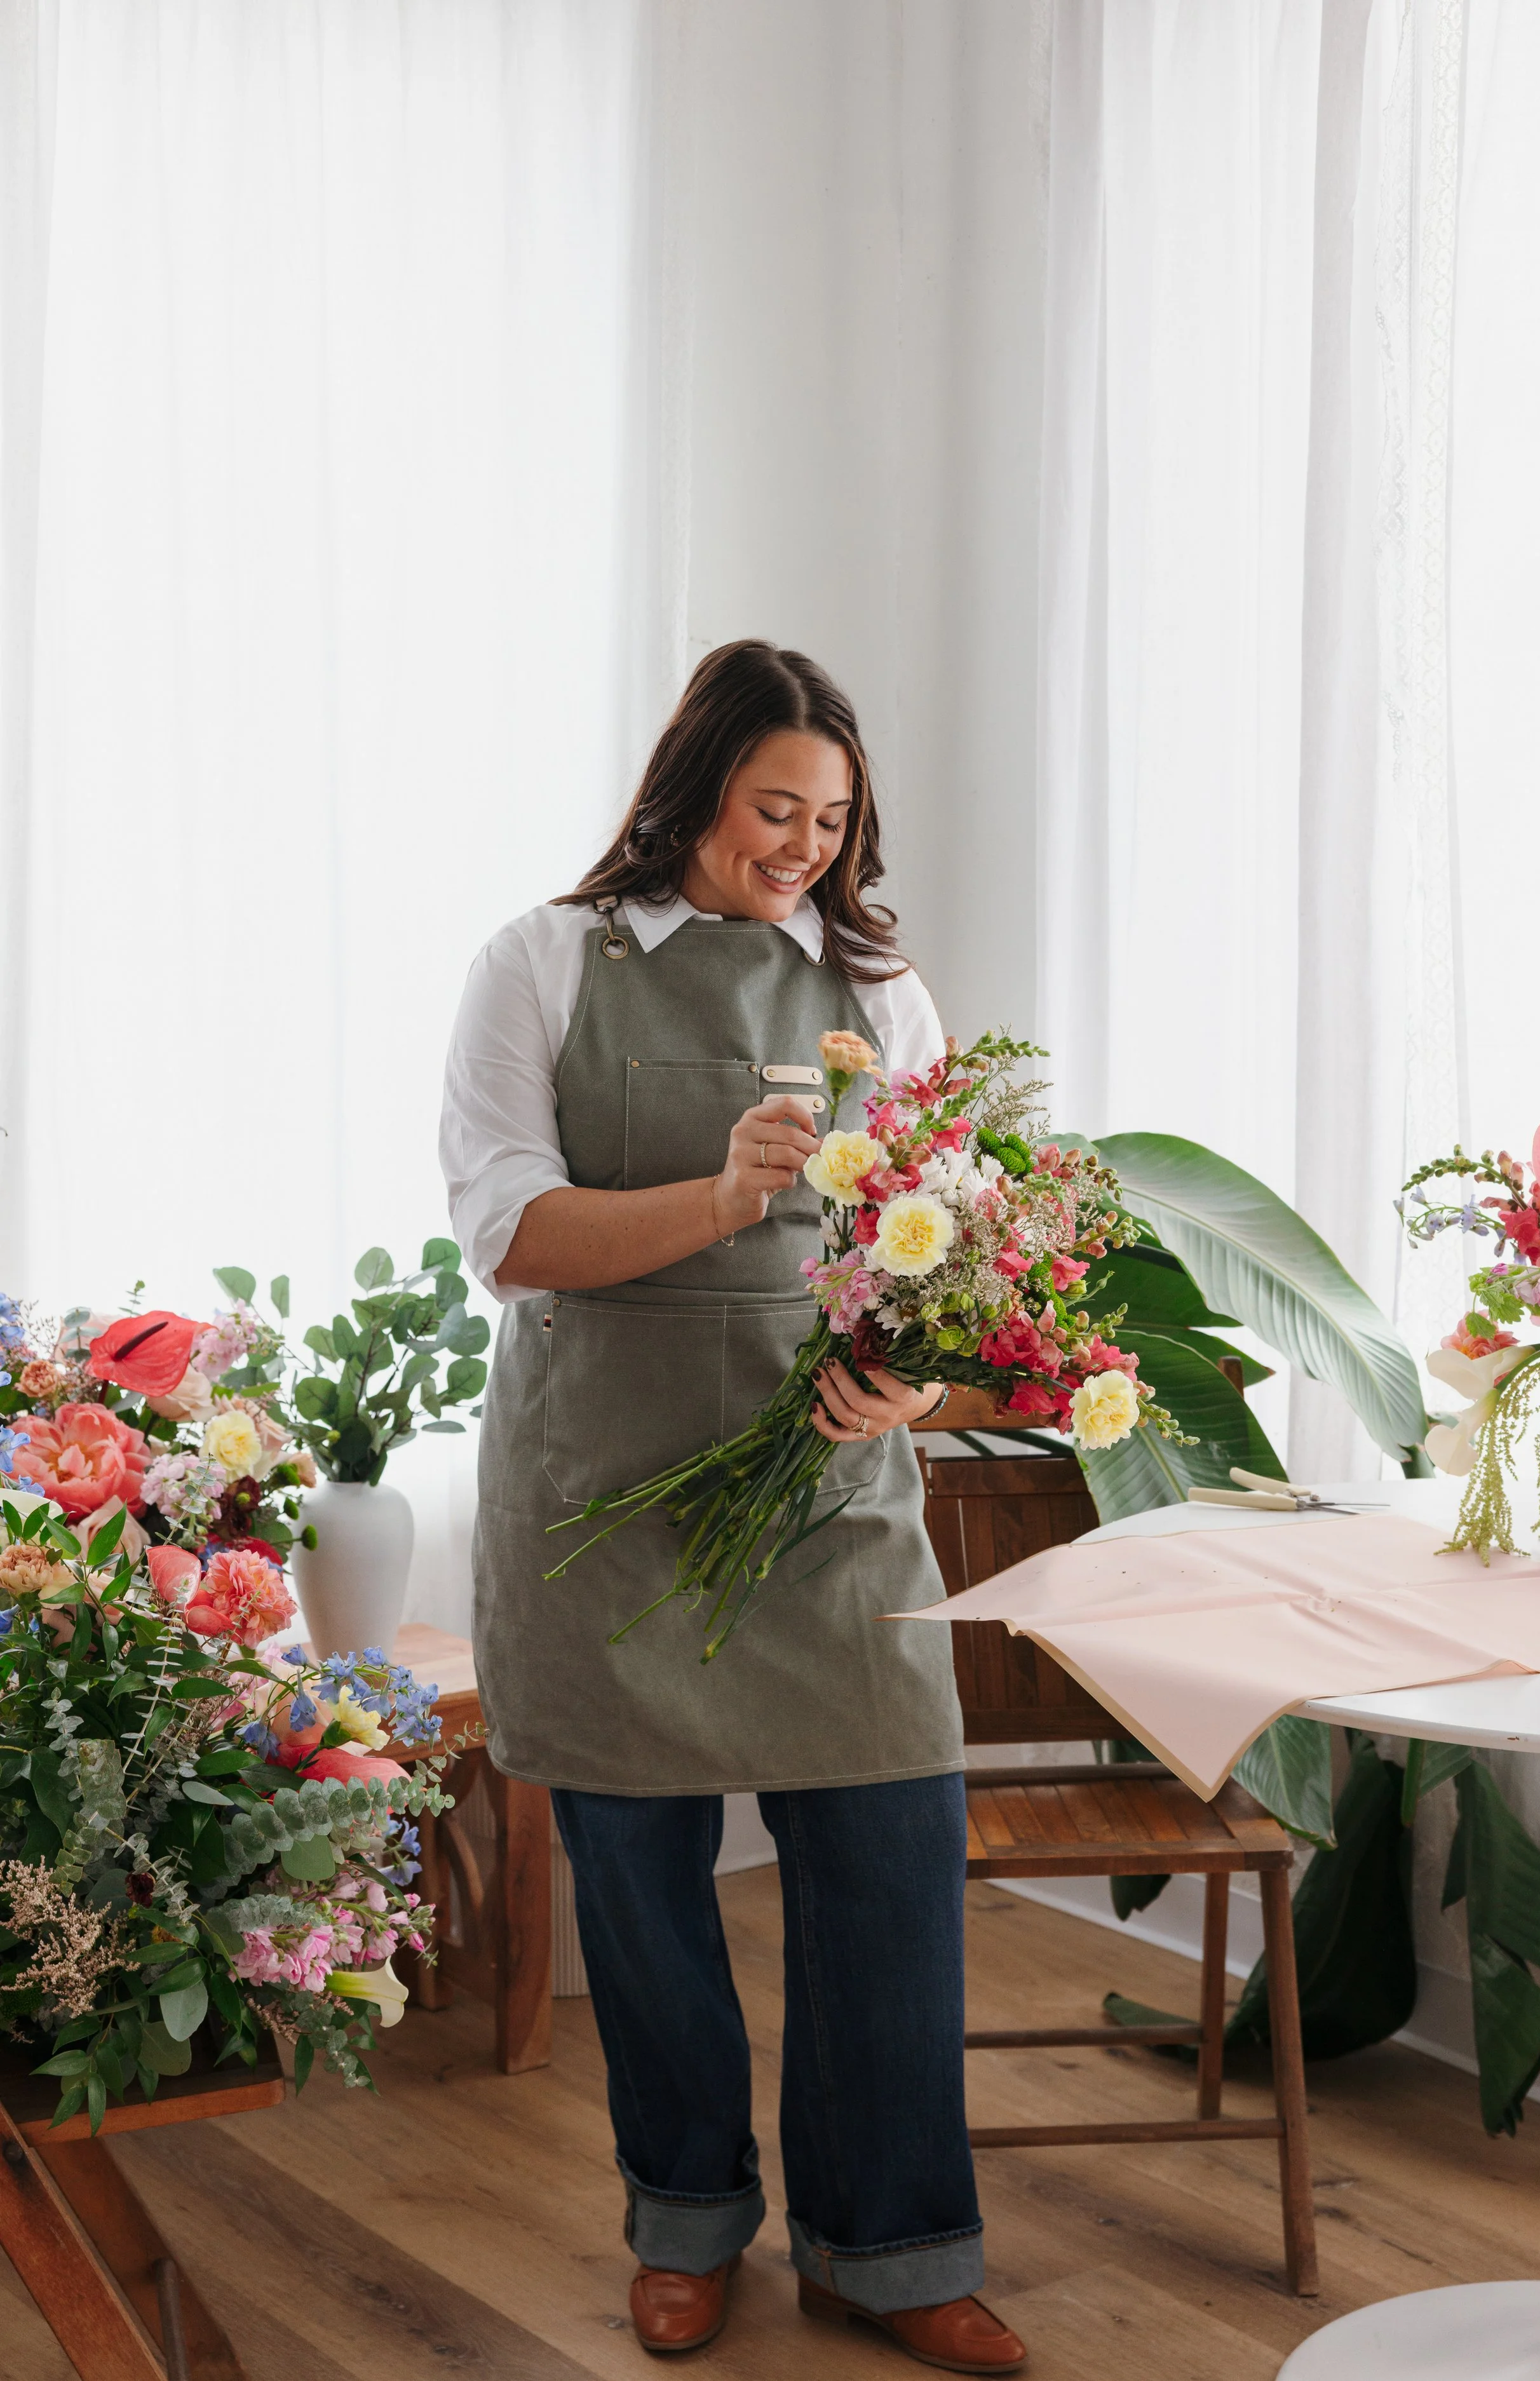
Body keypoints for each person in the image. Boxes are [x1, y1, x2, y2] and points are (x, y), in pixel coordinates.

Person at [440, 641, 1025, 2371]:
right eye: (776, 807)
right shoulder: (541, 961)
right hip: (602, 1485)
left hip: (823, 1484)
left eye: (832, 820)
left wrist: (904, 1384)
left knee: (888, 1850)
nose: (803, 847)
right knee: (640, 1878)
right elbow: (511, 1234)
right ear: (691, 784)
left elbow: (945, 1253)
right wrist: (716, 1197)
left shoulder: (878, 987)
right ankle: (685, 2219)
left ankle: (895, 2248)